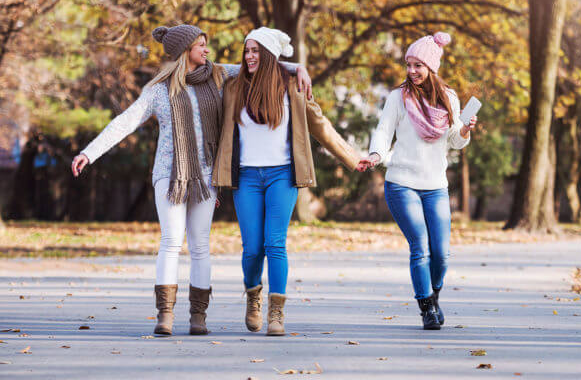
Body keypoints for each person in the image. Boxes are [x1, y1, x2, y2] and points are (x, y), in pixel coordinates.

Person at [70, 24, 311, 336]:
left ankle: (198, 316)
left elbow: (263, 61)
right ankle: (165, 314)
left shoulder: (217, 76)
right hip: (168, 176)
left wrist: (299, 66)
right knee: (171, 241)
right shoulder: (158, 90)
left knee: (200, 246)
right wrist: (89, 153)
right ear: (185, 50)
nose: (207, 50)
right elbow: (125, 121)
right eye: (201, 45)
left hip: (206, 177)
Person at [213, 27, 360, 336]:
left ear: (268, 55)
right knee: (252, 247)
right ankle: (253, 296)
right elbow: (209, 71)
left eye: (256, 51)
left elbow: (319, 124)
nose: (250, 56)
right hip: (247, 177)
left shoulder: (292, 88)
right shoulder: (233, 87)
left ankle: (276, 313)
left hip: (282, 175)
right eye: (247, 50)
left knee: (275, 243)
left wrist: (351, 157)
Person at [357, 32, 477, 330]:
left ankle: (433, 295)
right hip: (401, 183)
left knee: (442, 254)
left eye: (418, 65)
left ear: (431, 67)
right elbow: (384, 130)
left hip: (435, 186)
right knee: (420, 247)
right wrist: (375, 154)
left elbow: (453, 140)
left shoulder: (448, 98)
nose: (412, 71)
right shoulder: (399, 97)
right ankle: (426, 307)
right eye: (408, 64)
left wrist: (463, 132)